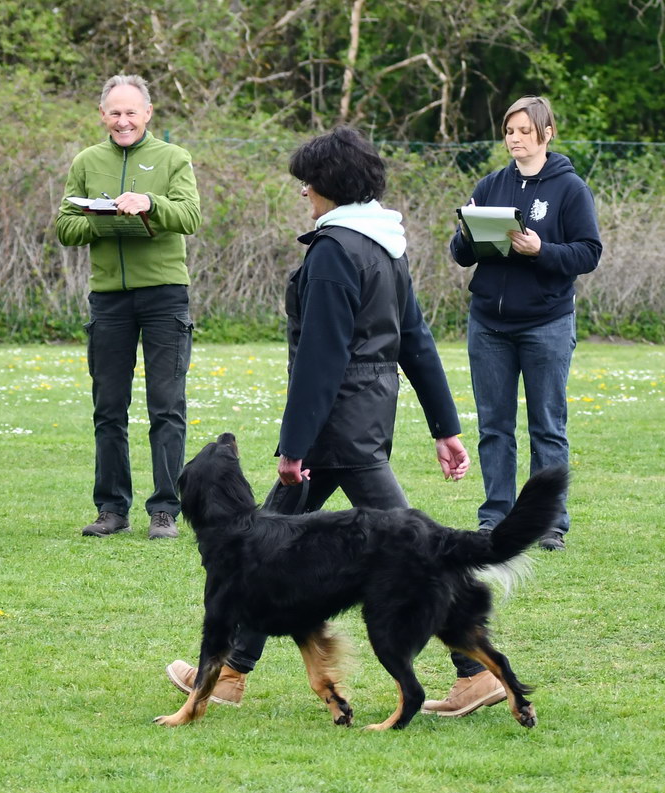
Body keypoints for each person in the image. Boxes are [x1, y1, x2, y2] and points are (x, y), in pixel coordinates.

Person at [164, 126, 471, 708]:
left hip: (338, 427)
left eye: (307, 181)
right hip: (366, 415)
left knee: (412, 549)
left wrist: (294, 445)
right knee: (262, 547)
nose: (303, 191)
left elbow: (321, 358)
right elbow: (417, 341)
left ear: (329, 183)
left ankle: (471, 665)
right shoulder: (384, 241)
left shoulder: (335, 251)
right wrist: (445, 425)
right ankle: (230, 674)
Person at [430, 96, 601, 717]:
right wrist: (472, 238)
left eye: (525, 131)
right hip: (489, 324)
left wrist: (538, 252)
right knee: (495, 428)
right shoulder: (492, 185)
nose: (515, 140)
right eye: (508, 131)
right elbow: (459, 250)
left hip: (546, 323)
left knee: (546, 427)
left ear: (548, 133)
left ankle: (549, 521)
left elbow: (587, 253)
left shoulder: (569, 188)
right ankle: (496, 517)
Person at [55, 74, 202, 540]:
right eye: (114, 113)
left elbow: (190, 217)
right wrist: (101, 220)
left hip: (164, 296)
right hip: (109, 300)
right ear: (102, 115)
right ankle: (112, 509)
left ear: (148, 113)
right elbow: (65, 226)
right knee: (109, 408)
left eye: (131, 112)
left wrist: (149, 204)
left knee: (166, 406)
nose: (123, 121)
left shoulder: (174, 159)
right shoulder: (86, 161)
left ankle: (164, 510)